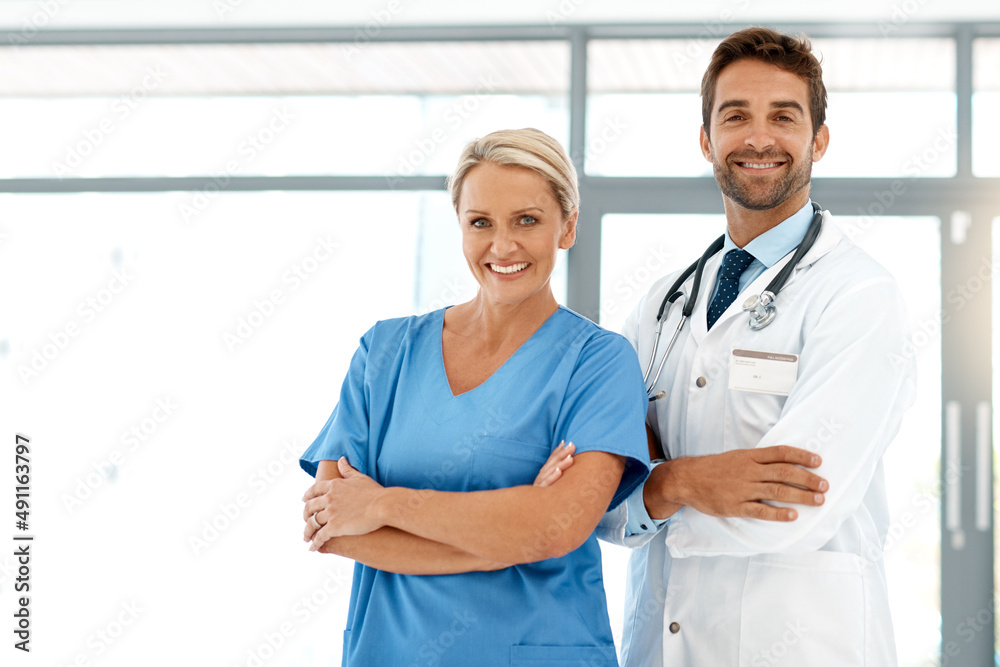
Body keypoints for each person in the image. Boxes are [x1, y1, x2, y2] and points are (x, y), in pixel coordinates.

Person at [594, 27, 917, 666]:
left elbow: (796, 499)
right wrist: (680, 482)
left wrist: (655, 488)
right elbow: (596, 494)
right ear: (707, 140)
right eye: (735, 115)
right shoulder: (660, 305)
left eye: (783, 117)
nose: (758, 138)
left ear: (818, 139)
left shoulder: (858, 297)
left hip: (799, 643)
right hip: (661, 642)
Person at [298, 128, 651, 667]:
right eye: (480, 222)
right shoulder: (386, 352)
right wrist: (513, 532)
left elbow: (558, 527)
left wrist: (385, 504)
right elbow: (331, 529)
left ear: (568, 225)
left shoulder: (598, 362)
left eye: (527, 221)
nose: (502, 246)